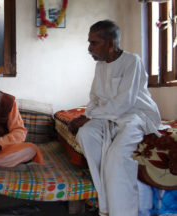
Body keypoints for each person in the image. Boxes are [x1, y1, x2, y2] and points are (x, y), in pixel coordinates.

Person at [68, 20, 161, 216]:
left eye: (94, 43)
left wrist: (90, 115)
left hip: (136, 116)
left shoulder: (131, 61)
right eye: (89, 42)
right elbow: (94, 98)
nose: (89, 48)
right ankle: (106, 207)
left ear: (110, 44)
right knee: (86, 134)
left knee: (116, 157)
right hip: (109, 117)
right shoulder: (100, 66)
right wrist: (87, 115)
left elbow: (124, 103)